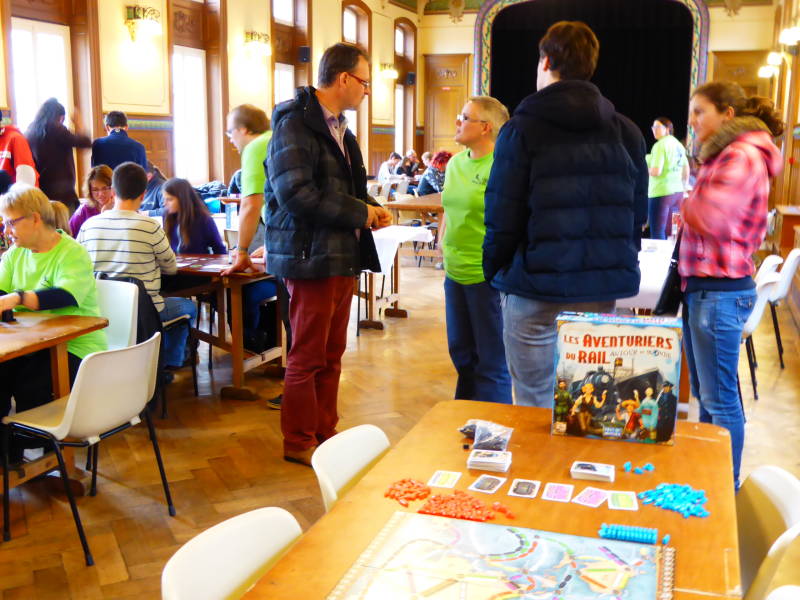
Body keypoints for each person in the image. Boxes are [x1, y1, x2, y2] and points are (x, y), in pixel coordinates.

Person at [483, 21, 647, 408]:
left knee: (533, 402)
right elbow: (637, 214)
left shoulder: (520, 130)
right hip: (599, 291)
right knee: (587, 404)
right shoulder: (627, 132)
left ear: (546, 61)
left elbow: (502, 214)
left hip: (533, 288)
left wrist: (495, 270)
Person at [263, 42, 392, 465]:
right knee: (307, 356)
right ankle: (299, 440)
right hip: (309, 257)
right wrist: (359, 212)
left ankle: (324, 430)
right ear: (344, 79)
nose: (367, 91)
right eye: (365, 82)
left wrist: (372, 207)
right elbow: (296, 194)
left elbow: (345, 190)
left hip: (338, 255)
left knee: (331, 354)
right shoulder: (295, 125)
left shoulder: (341, 130)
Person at [680, 81, 783, 487]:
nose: (693, 121)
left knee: (721, 402)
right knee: (709, 399)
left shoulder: (740, 155)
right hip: (707, 290)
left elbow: (713, 217)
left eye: (700, 112)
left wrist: (686, 203)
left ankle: (725, 489)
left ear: (727, 114)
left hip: (719, 292)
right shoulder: (729, 154)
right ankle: (709, 485)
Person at [0, 184, 107, 460]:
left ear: (35, 218)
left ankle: (39, 454)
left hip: (76, 348)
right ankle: (9, 457)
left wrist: (18, 297)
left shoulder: (72, 252)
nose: (6, 230)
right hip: (31, 344)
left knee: (29, 383)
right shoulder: (15, 254)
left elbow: (64, 295)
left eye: (11, 222)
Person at [77, 162, 197, 369]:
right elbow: (171, 268)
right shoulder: (150, 226)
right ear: (143, 194)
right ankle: (167, 364)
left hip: (101, 309)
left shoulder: (88, 226)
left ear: (113, 192)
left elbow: (81, 265)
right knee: (189, 307)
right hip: (145, 311)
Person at [442, 96, 512, 404]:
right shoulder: (455, 163)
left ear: (485, 127)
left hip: (485, 277)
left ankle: (494, 424)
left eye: (465, 117)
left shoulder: (503, 166)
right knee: (462, 355)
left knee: (492, 362)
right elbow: (449, 210)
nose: (457, 122)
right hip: (454, 273)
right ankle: (465, 417)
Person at [162, 177, 277, 352]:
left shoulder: (202, 219)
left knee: (238, 295)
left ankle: (247, 341)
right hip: (178, 274)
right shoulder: (168, 218)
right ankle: (186, 345)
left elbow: (219, 250)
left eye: (169, 199)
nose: (165, 203)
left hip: (201, 277)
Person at [221, 104, 272, 274]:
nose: (230, 139)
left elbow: (250, 205)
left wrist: (242, 251)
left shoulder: (256, 146)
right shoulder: (278, 138)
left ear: (243, 130)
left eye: (230, 132)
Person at [26, 98, 92, 213]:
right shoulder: (56, 129)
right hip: (63, 194)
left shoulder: (30, 131)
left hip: (40, 192)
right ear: (61, 117)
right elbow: (85, 142)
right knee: (66, 224)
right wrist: (78, 122)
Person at [647, 117, 688, 239]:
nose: (654, 130)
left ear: (667, 129)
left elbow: (656, 171)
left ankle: (660, 253)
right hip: (677, 194)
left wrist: (643, 170)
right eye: (653, 127)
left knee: (657, 231)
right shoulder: (679, 145)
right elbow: (686, 169)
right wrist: (684, 187)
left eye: (658, 127)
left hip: (661, 193)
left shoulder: (660, 145)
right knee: (672, 232)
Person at [69, 165, 114, 236]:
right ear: (90, 191)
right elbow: (69, 233)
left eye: (105, 188)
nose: (100, 194)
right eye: (95, 190)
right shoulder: (84, 209)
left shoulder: (121, 207)